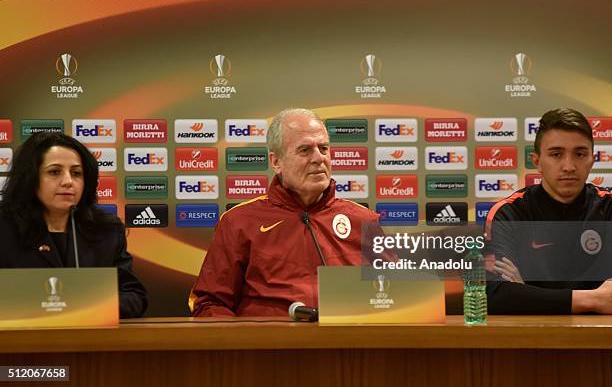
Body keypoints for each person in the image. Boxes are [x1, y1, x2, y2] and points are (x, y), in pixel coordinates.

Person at [192, 108, 380, 316]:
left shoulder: (363, 220)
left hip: (347, 344)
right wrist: (246, 344)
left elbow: (397, 297)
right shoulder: (238, 222)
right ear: (276, 162)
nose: (319, 158)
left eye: (324, 148)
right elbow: (209, 304)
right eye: (305, 150)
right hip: (267, 345)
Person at [0, 132, 148, 318]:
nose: (68, 181)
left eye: (76, 173)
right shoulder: (4, 228)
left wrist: (90, 307)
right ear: (30, 177)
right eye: (54, 172)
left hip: (91, 342)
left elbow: (135, 296)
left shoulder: (106, 229)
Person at [485, 108, 612, 314]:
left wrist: (525, 293)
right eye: (556, 154)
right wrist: (593, 299)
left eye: (580, 154)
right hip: (532, 338)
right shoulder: (509, 213)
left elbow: (512, 296)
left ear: (592, 159)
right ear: (537, 162)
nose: (569, 166)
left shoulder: (609, 207)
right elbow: (495, 295)